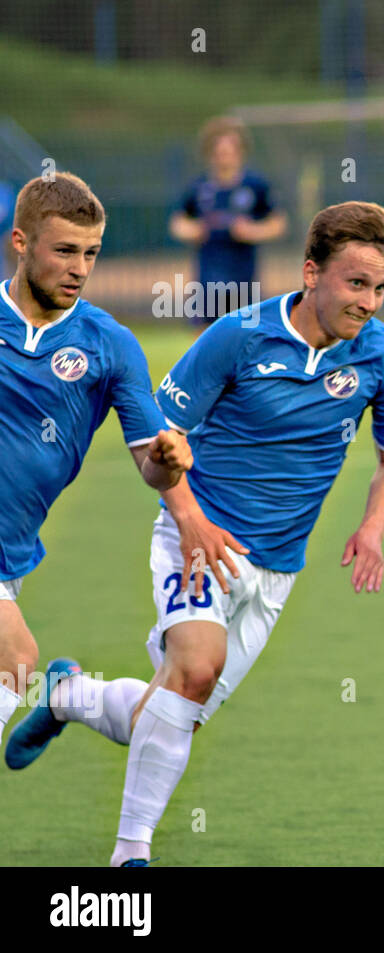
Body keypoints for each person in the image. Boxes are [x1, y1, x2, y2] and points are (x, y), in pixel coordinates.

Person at [10, 201, 384, 867]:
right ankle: (130, 855)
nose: (368, 302)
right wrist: (184, 506)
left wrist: (372, 528)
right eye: (355, 284)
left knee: (166, 711)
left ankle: (69, 695)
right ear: (311, 273)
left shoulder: (382, 357)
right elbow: (157, 440)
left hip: (278, 569)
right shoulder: (238, 336)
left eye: (380, 288)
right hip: (198, 539)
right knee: (195, 669)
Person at [0, 172, 191, 753]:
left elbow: (150, 466)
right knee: (14, 659)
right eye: (64, 251)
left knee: (156, 722)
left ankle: (69, 698)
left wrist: (169, 461)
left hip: (13, 553)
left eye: (91, 253)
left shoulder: (109, 345)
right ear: (21, 242)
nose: (80, 268)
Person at [168, 116, 287, 328]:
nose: (225, 157)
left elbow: (278, 223)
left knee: (244, 330)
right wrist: (194, 231)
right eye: (219, 152)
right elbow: (178, 223)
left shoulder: (255, 186)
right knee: (204, 333)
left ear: (240, 152)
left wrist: (251, 231)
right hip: (208, 274)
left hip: (243, 275)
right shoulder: (199, 187)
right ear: (210, 154)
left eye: (230, 151)